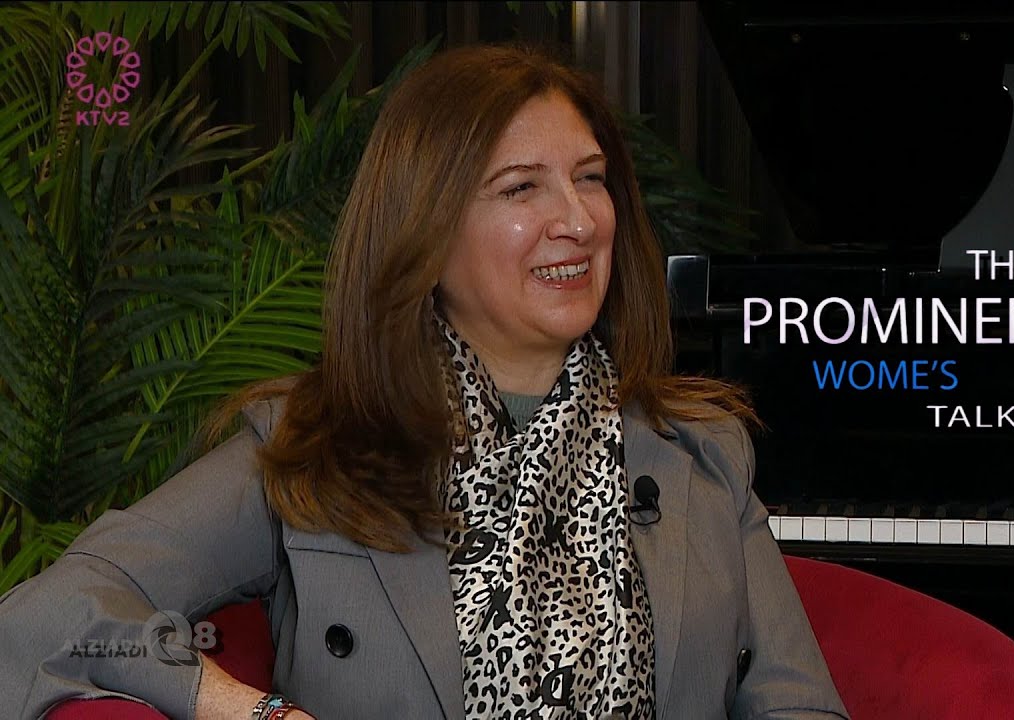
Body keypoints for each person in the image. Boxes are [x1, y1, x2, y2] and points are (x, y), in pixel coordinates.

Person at [0, 42, 848, 720]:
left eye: (591, 179)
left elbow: (799, 704)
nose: (579, 220)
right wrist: (243, 709)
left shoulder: (702, 452)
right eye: (522, 187)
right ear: (425, 232)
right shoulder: (311, 447)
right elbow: (52, 612)